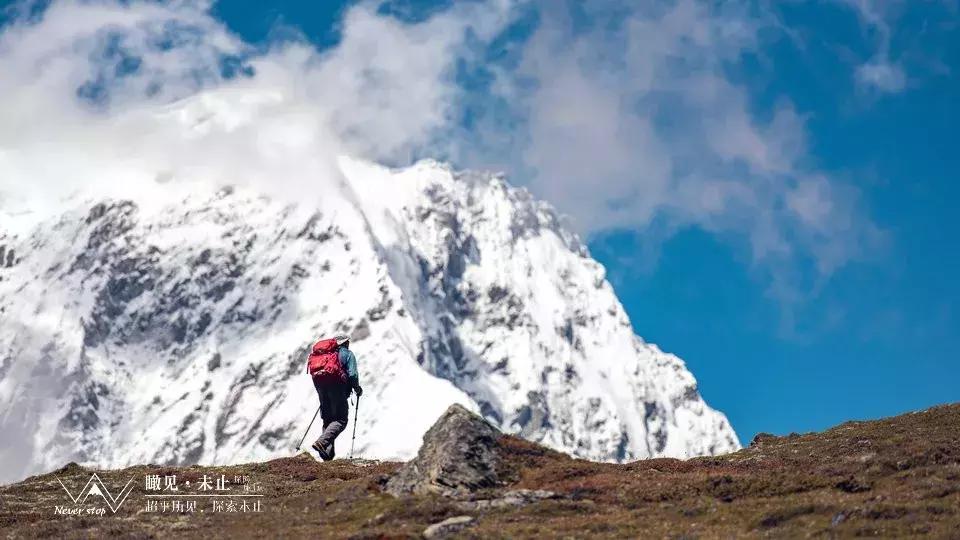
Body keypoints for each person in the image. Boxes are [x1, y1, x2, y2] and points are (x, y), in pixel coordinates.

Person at [308, 334, 362, 461]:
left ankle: (327, 455)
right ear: (345, 343)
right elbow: (353, 375)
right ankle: (322, 442)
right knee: (341, 420)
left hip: (321, 387)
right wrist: (357, 389)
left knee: (328, 419)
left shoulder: (324, 355)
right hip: (337, 388)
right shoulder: (347, 354)